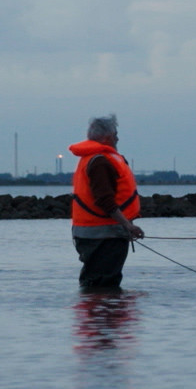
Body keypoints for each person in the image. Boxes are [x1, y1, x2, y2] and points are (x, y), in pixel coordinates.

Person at [68, 114, 144, 288]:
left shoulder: (92, 158)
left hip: (93, 234)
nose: (117, 138)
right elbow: (104, 200)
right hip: (103, 236)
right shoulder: (100, 161)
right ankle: (100, 305)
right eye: (115, 134)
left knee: (96, 283)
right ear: (108, 137)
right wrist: (128, 225)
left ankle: (95, 304)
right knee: (103, 284)